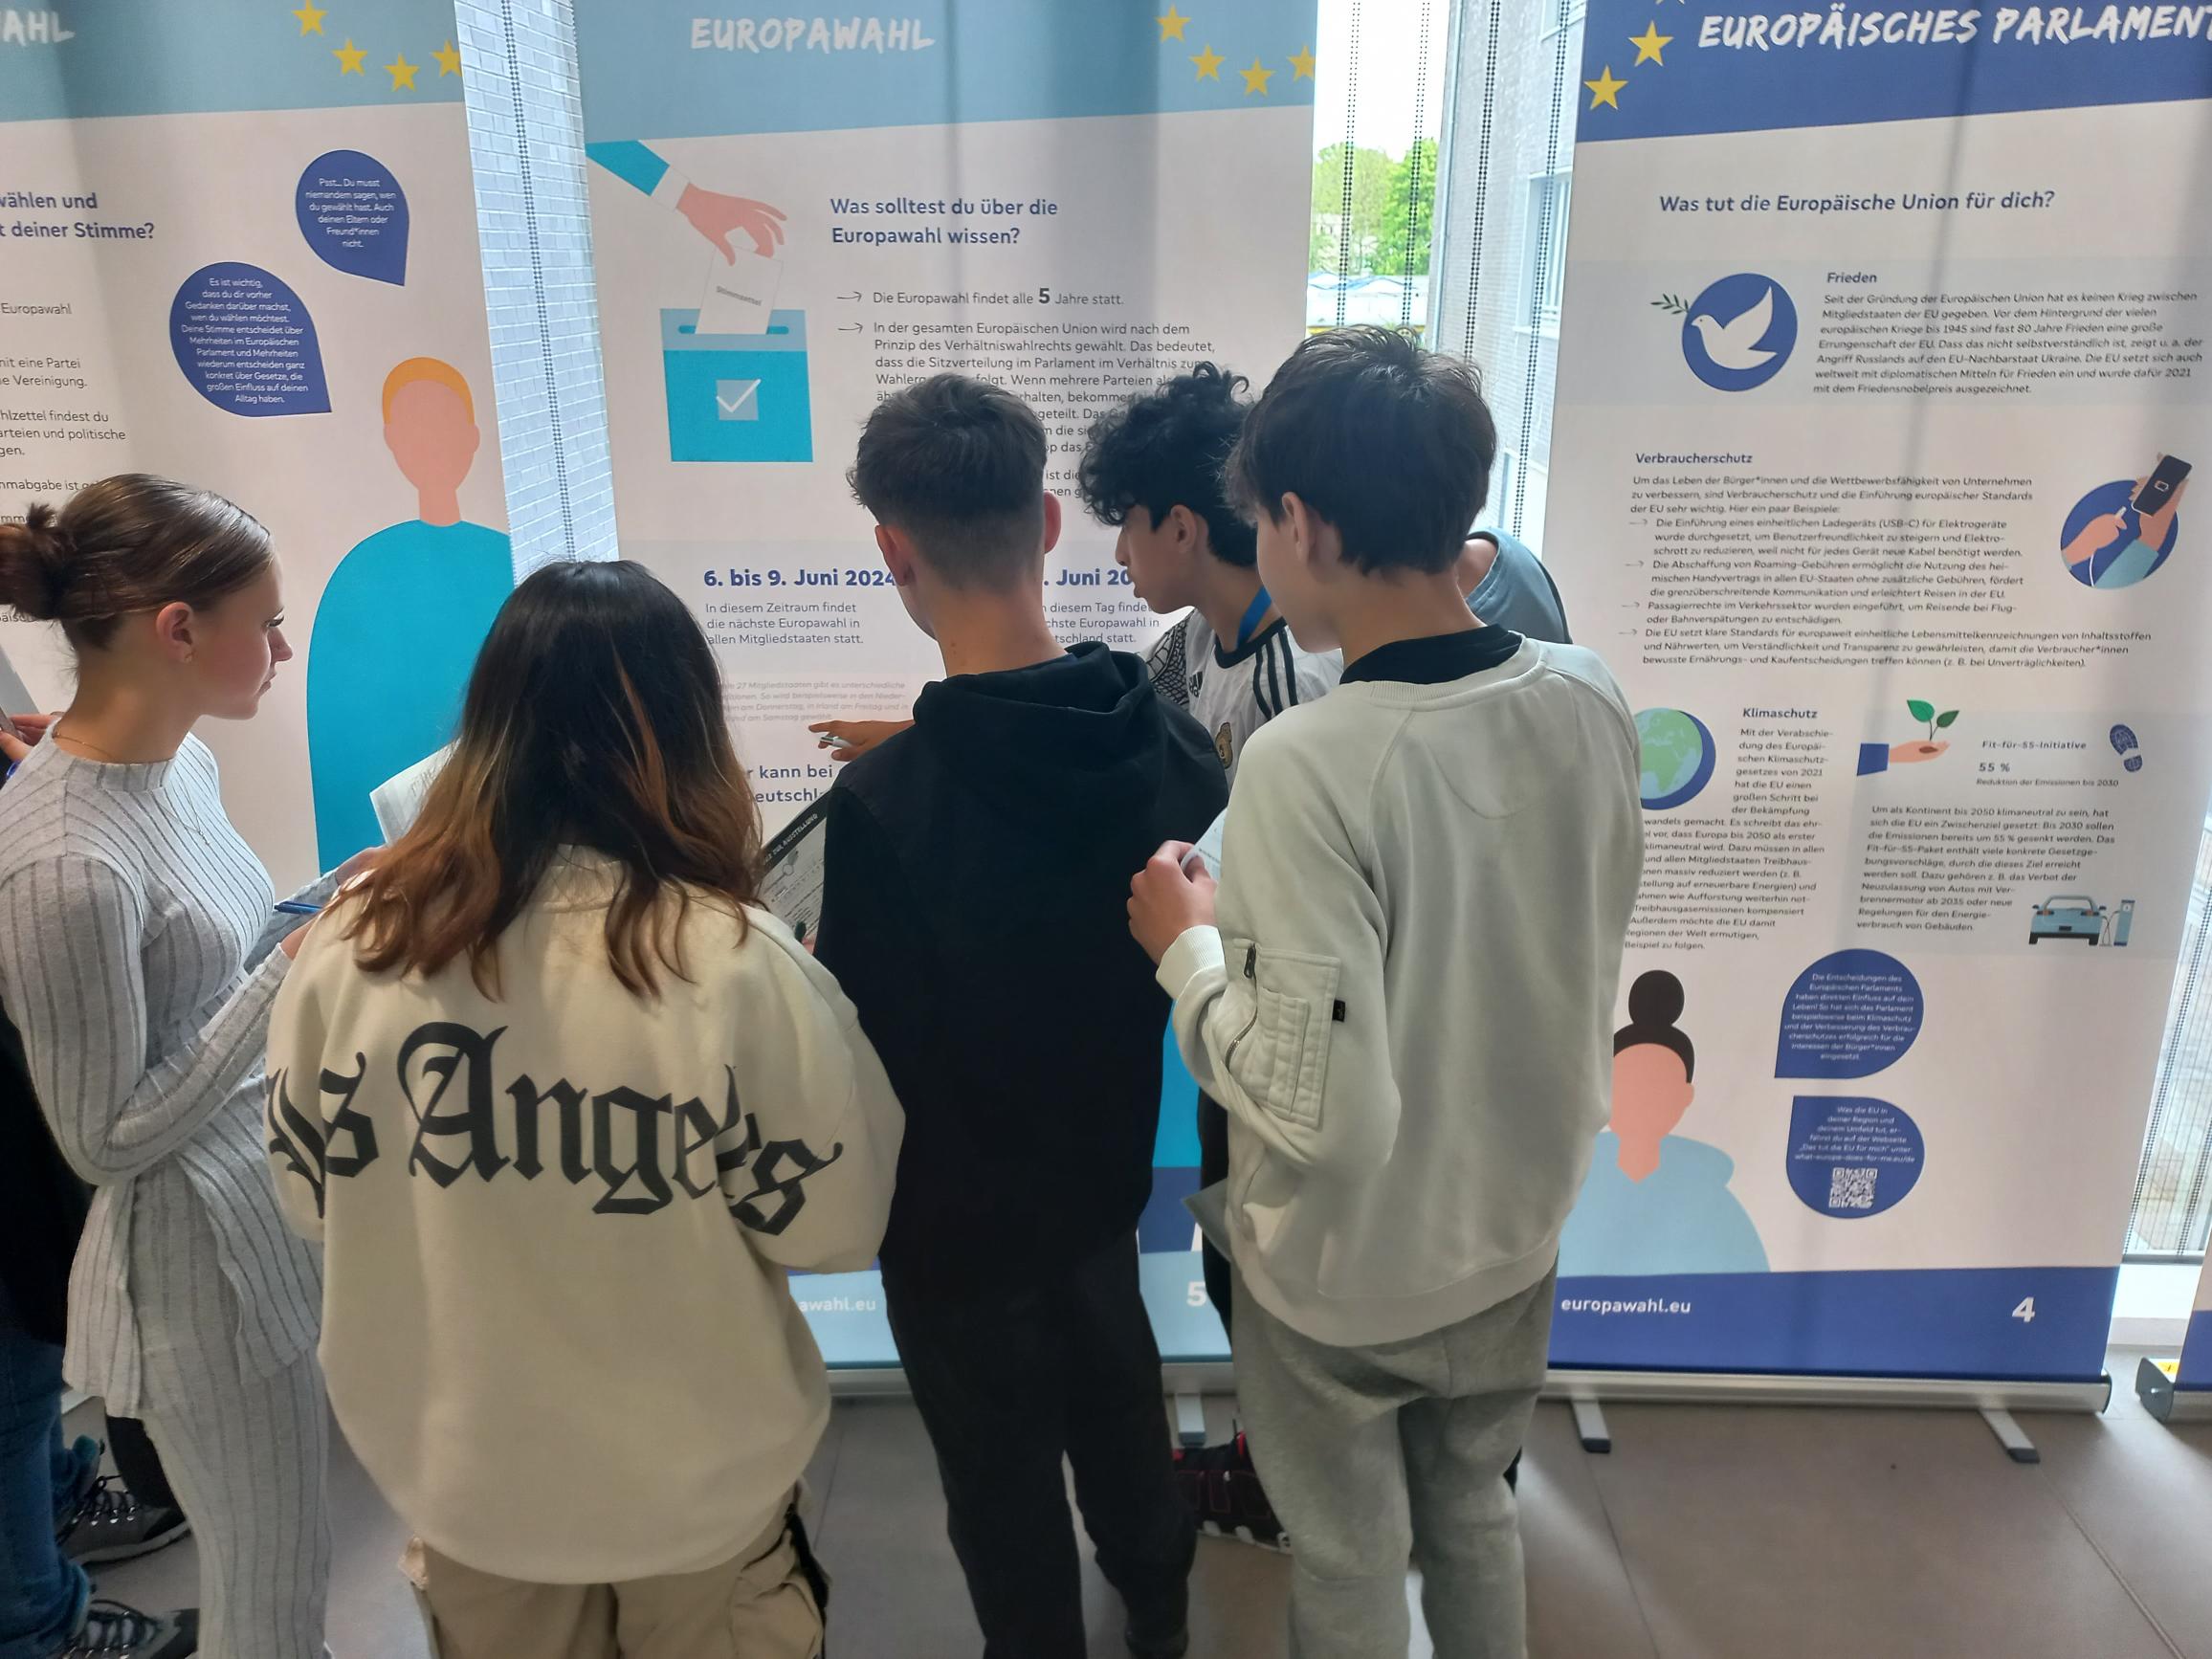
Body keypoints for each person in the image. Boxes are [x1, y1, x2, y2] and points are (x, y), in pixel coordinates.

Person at [266, 560, 900, 1659]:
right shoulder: (734, 963)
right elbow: (835, 1224)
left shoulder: (351, 945)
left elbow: (309, 1199)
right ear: (687, 734)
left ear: (486, 727)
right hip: (700, 1490)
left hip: (468, 1484)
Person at [1126, 327, 1644, 1659]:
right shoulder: (1587, 696)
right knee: (1473, 1509)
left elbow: (1325, 1116)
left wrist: (1189, 950)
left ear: (1297, 523)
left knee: (1349, 1551)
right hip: (1513, 1228)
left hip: (1346, 1274)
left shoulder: (1307, 761)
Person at [812, 374, 1224, 1659]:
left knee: (1001, 1506)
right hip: (1102, 1192)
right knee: (1124, 1426)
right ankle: (1162, 1622)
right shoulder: (1176, 751)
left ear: (894, 551)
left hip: (950, 1235)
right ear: (1047, 522)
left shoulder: (882, 808)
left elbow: (862, 1042)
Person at [0, 476, 353, 1659]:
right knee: (269, 1590)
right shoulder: (62, 863)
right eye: (269, 622)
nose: (285, 650)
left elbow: (205, 971)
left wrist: (327, 900)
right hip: (191, 1269)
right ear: (178, 630)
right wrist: (291, 967)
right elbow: (102, 1138)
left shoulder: (179, 766)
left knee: (291, 1558)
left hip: (257, 1206)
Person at [307, 357, 514, 868]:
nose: (432, 443)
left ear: (472, 437)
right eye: (415, 427)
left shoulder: (509, 560)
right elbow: (339, 729)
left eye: (445, 425)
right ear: (392, 440)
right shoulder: (361, 570)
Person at [1559, 971, 1768, 1277]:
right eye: (1626, 1083)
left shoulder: (1716, 1206)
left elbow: (1747, 1285)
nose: (1641, 1099)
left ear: (1685, 1097)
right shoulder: (1569, 1191)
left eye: (1659, 1087)